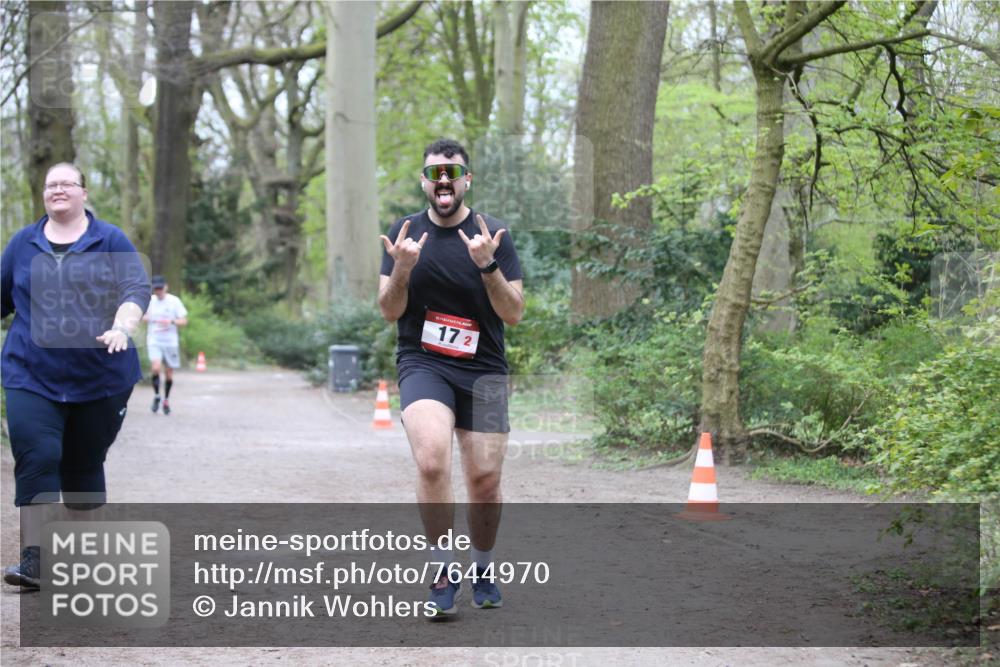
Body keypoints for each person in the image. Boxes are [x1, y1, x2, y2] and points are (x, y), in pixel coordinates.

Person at [378, 138, 524, 617]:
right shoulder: (403, 235)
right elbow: (388, 311)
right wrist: (401, 270)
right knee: (432, 460)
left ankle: (482, 565)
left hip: (484, 368)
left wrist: (488, 265)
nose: (444, 181)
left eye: (453, 172)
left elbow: (515, 313)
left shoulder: (495, 234)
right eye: (434, 173)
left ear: (466, 180)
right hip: (425, 364)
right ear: (424, 182)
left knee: (483, 478)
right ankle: (443, 568)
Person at [1, 163, 150, 590]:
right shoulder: (22, 245)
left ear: (84, 193)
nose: (58, 190)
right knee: (37, 455)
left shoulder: (110, 240)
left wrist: (123, 327)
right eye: (51, 185)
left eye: (67, 183)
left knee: (82, 465)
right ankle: (35, 559)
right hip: (31, 373)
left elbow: (134, 290)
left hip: (99, 377)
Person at [143, 275, 188, 415]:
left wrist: (171, 322)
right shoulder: (150, 301)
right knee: (155, 368)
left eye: (160, 288)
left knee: (169, 374)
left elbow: (184, 321)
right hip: (154, 340)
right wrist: (148, 318)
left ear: (166, 287)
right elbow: (140, 316)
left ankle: (166, 399)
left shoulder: (174, 301)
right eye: (156, 288)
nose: (158, 291)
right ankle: (157, 396)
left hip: (170, 341)